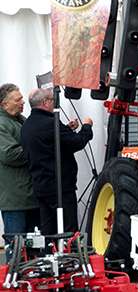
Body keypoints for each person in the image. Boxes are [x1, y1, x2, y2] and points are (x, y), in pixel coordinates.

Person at [20, 88, 93, 234]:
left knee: (48, 229)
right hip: (60, 187)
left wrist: (66, 129)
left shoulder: (27, 125)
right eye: (52, 100)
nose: (54, 103)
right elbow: (77, 142)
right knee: (68, 229)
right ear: (45, 102)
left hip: (40, 186)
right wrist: (87, 126)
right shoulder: (51, 123)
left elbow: (50, 145)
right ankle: (68, 256)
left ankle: (49, 255)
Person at [0, 84, 40, 256]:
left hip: (30, 197)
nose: (23, 102)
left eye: (22, 98)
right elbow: (9, 155)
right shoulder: (2, 124)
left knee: (35, 247)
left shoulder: (20, 120)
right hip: (15, 201)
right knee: (16, 250)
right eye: (18, 100)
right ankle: (13, 282)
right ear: (4, 104)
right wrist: (37, 149)